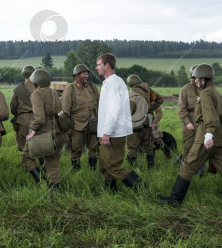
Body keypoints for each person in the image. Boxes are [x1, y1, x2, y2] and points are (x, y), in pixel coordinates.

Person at [158, 63, 222, 210]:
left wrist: (208, 136)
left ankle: (175, 199)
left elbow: (211, 118)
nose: (195, 81)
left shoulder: (206, 93)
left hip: (205, 135)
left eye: (197, 79)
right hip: (219, 138)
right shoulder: (214, 91)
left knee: (188, 166)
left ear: (203, 79)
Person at [95, 54, 146, 192]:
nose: (96, 67)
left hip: (114, 133)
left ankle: (142, 189)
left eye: (99, 64)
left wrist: (107, 132)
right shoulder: (111, 82)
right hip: (112, 131)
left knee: (112, 165)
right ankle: (111, 192)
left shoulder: (112, 82)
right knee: (104, 164)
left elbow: (113, 110)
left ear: (107, 65)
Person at [19, 69, 62, 186]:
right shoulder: (54, 93)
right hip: (57, 131)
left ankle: (41, 182)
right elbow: (60, 111)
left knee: (25, 157)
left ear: (35, 82)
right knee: (52, 163)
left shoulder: (36, 94)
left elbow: (39, 118)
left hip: (43, 132)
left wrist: (32, 132)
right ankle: (55, 190)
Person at [61, 64, 100, 170]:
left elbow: (99, 103)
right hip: (77, 124)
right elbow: (65, 109)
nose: (86, 76)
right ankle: (76, 170)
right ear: (77, 76)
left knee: (94, 147)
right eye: (84, 74)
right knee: (76, 149)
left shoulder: (92, 86)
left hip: (93, 122)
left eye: (87, 74)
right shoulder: (70, 88)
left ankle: (92, 169)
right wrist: (67, 127)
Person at [125, 74, 163, 168]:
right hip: (147, 123)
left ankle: (132, 170)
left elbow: (129, 111)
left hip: (135, 125)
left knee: (132, 148)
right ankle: (151, 169)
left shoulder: (133, 93)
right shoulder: (148, 90)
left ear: (131, 85)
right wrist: (150, 109)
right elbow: (160, 99)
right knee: (148, 147)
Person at [9, 65, 36, 153]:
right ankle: (42, 165)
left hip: (23, 121)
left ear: (24, 75)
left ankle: (30, 166)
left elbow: (13, 107)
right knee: (39, 144)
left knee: (24, 146)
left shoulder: (18, 89)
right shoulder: (39, 89)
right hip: (39, 120)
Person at [176, 65, 200, 163]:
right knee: (188, 149)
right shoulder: (185, 89)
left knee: (201, 150)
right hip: (190, 123)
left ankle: (200, 175)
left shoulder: (206, 89)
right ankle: (184, 173)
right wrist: (187, 122)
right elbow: (181, 108)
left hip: (203, 124)